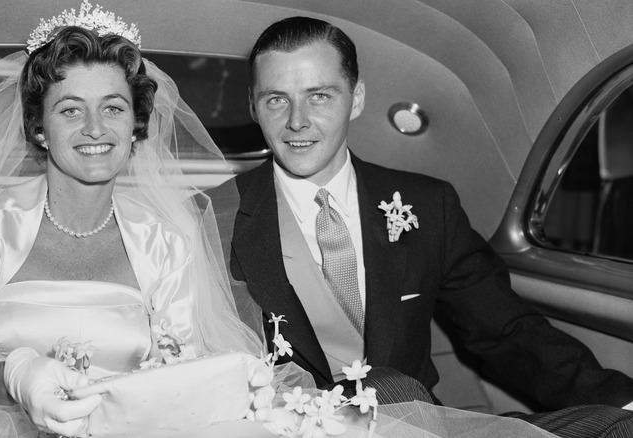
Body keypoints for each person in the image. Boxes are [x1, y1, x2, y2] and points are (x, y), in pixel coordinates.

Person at [0, 5, 266, 436]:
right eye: (70, 110)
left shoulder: (165, 240)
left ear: (136, 126)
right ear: (38, 129)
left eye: (113, 108)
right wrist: (16, 378)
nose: (94, 128)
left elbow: (182, 375)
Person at [217, 15, 633, 437]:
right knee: (389, 386)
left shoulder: (428, 204)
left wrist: (622, 400)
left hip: (422, 426)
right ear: (253, 105)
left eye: (319, 96)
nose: (297, 121)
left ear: (356, 99)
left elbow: (505, 330)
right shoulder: (215, 217)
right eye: (276, 99)